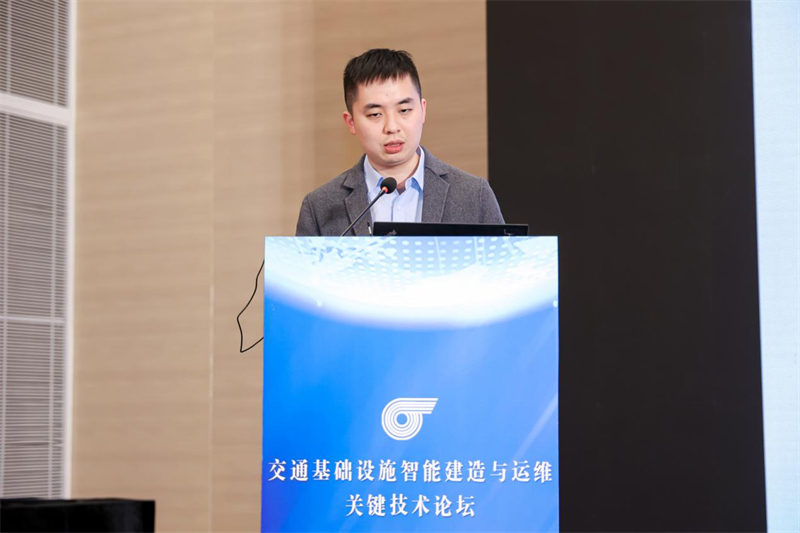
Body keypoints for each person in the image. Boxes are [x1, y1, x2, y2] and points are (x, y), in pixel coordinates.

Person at [295, 48, 504, 236]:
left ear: (422, 110)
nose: (392, 127)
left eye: (404, 110)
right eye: (375, 114)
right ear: (351, 123)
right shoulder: (320, 208)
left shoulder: (473, 194)